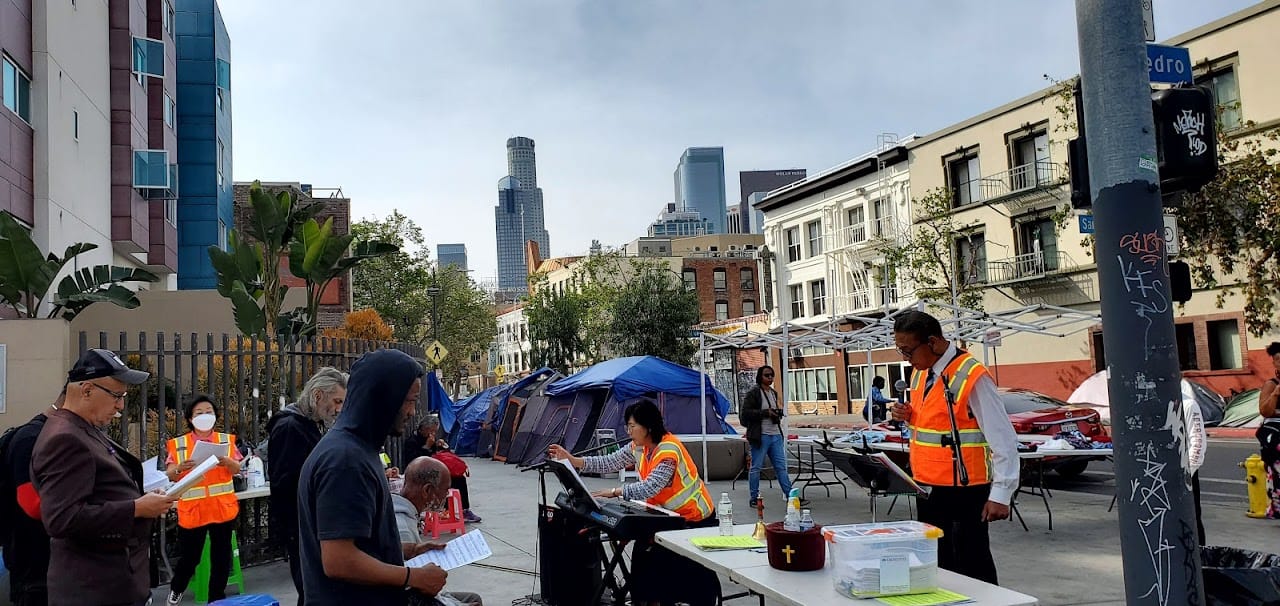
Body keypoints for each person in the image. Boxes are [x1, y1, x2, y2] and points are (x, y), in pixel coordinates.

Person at [297, 349, 447, 605]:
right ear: (384, 399)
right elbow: (339, 560)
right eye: (409, 401)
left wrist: (404, 551)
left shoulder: (356, 449)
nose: (412, 412)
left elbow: (358, 542)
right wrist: (413, 577)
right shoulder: (345, 461)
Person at [31, 349, 179, 606]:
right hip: (95, 588)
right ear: (86, 390)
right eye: (116, 396)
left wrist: (141, 502)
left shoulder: (82, 427)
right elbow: (62, 519)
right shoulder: (65, 438)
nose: (121, 405)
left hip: (113, 581)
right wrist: (136, 508)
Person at [889, 311, 1018, 585]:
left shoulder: (972, 375)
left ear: (933, 342)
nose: (905, 358)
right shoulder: (921, 372)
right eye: (900, 350)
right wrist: (908, 414)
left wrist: (1002, 493)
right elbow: (936, 422)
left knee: (971, 566)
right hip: (927, 487)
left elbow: (1003, 437)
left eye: (908, 350)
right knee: (939, 565)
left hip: (965, 491)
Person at [549, 400, 719, 606]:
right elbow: (610, 461)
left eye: (632, 426)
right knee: (642, 557)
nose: (628, 431)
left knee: (659, 561)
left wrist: (614, 492)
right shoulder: (639, 447)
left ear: (648, 427)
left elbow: (650, 487)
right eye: (627, 426)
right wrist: (572, 460)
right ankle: (648, 600)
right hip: (664, 517)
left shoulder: (668, 450)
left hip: (692, 520)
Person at [266, 366, 347, 604]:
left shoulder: (308, 424)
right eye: (337, 400)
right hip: (301, 524)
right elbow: (285, 483)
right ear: (318, 395)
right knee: (313, 590)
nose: (339, 408)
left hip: (308, 523)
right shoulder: (291, 427)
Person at [163, 395, 244, 605]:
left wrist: (226, 461)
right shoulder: (180, 444)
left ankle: (216, 598)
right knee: (190, 558)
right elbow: (170, 473)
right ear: (190, 418)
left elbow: (237, 468)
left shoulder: (225, 441)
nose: (205, 416)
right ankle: (177, 588)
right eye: (199, 413)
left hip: (221, 509)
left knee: (221, 558)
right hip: (194, 510)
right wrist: (180, 468)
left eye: (209, 411)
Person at [1, 388, 65, 606]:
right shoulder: (30, 439)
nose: (118, 407)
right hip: (36, 570)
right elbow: (33, 505)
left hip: (58, 568)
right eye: (115, 397)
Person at [391, 456, 484, 606]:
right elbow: (412, 593)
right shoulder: (402, 527)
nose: (447, 495)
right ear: (427, 490)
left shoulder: (402, 513)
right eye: (445, 490)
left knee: (472, 597)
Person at [403, 416, 481, 523]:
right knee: (442, 484)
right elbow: (414, 461)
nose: (433, 434)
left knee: (459, 479)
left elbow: (440, 455)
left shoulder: (431, 439)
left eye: (435, 432)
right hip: (421, 476)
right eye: (431, 431)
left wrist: (440, 446)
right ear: (423, 429)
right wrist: (426, 447)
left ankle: (463, 510)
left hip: (434, 472)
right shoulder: (412, 441)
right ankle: (442, 510)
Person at [739, 365, 795, 508]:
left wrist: (776, 414)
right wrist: (765, 413)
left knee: (781, 467)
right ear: (760, 376)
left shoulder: (773, 393)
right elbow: (745, 414)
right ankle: (754, 497)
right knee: (756, 467)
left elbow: (771, 412)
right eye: (767, 375)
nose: (770, 378)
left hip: (775, 434)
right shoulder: (754, 393)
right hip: (761, 435)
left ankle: (791, 496)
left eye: (772, 375)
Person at [1255, 342, 1280, 518]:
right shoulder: (1272, 384)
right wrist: (1276, 393)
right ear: (1274, 363)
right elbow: (1265, 411)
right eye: (1278, 360)